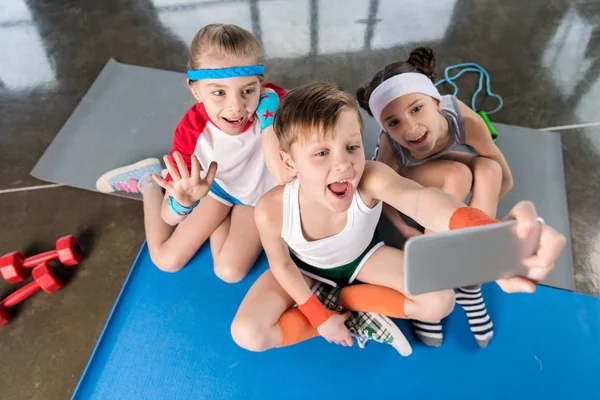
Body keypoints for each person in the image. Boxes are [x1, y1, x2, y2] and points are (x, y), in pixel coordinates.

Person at [230, 83, 566, 352]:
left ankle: (351, 308)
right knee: (248, 334)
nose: (344, 165)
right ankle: (338, 312)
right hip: (303, 269)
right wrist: (319, 319)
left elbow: (422, 200)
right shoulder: (272, 208)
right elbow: (283, 266)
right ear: (290, 164)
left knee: (440, 302)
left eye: (351, 147)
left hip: (363, 259)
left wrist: (490, 233)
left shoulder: (370, 177)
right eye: (321, 153)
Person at [96, 24, 285, 282]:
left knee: (230, 272)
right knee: (166, 260)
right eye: (219, 92)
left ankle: (219, 215)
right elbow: (169, 218)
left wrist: (270, 121)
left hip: (258, 195)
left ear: (260, 85)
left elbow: (288, 167)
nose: (236, 107)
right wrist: (182, 203)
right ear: (196, 90)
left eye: (248, 90)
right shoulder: (190, 135)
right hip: (214, 188)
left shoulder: (276, 106)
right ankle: (148, 180)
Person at [356, 47, 514, 347]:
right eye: (394, 122)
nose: (411, 128)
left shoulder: (465, 121)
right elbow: (381, 190)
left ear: (437, 102)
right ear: (385, 127)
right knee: (456, 176)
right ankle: (429, 280)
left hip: (441, 167)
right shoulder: (391, 145)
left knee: (489, 170)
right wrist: (403, 227)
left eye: (416, 109)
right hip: (406, 182)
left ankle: (470, 280)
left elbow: (504, 176)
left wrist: (478, 216)